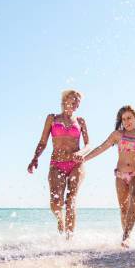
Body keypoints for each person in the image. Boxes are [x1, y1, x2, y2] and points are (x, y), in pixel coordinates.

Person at [77, 105, 135, 248]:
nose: (127, 121)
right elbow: (101, 148)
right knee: (123, 208)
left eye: (129, 118)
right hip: (120, 175)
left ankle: (127, 235)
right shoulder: (118, 134)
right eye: (124, 119)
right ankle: (126, 236)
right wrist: (84, 158)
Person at [27, 90, 89, 239]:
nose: (77, 103)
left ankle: (69, 240)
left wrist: (81, 153)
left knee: (71, 200)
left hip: (76, 164)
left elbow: (88, 145)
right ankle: (60, 220)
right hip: (57, 164)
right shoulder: (52, 119)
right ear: (65, 99)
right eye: (74, 99)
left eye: (79, 101)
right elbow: (43, 142)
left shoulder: (80, 121)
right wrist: (35, 158)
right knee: (56, 202)